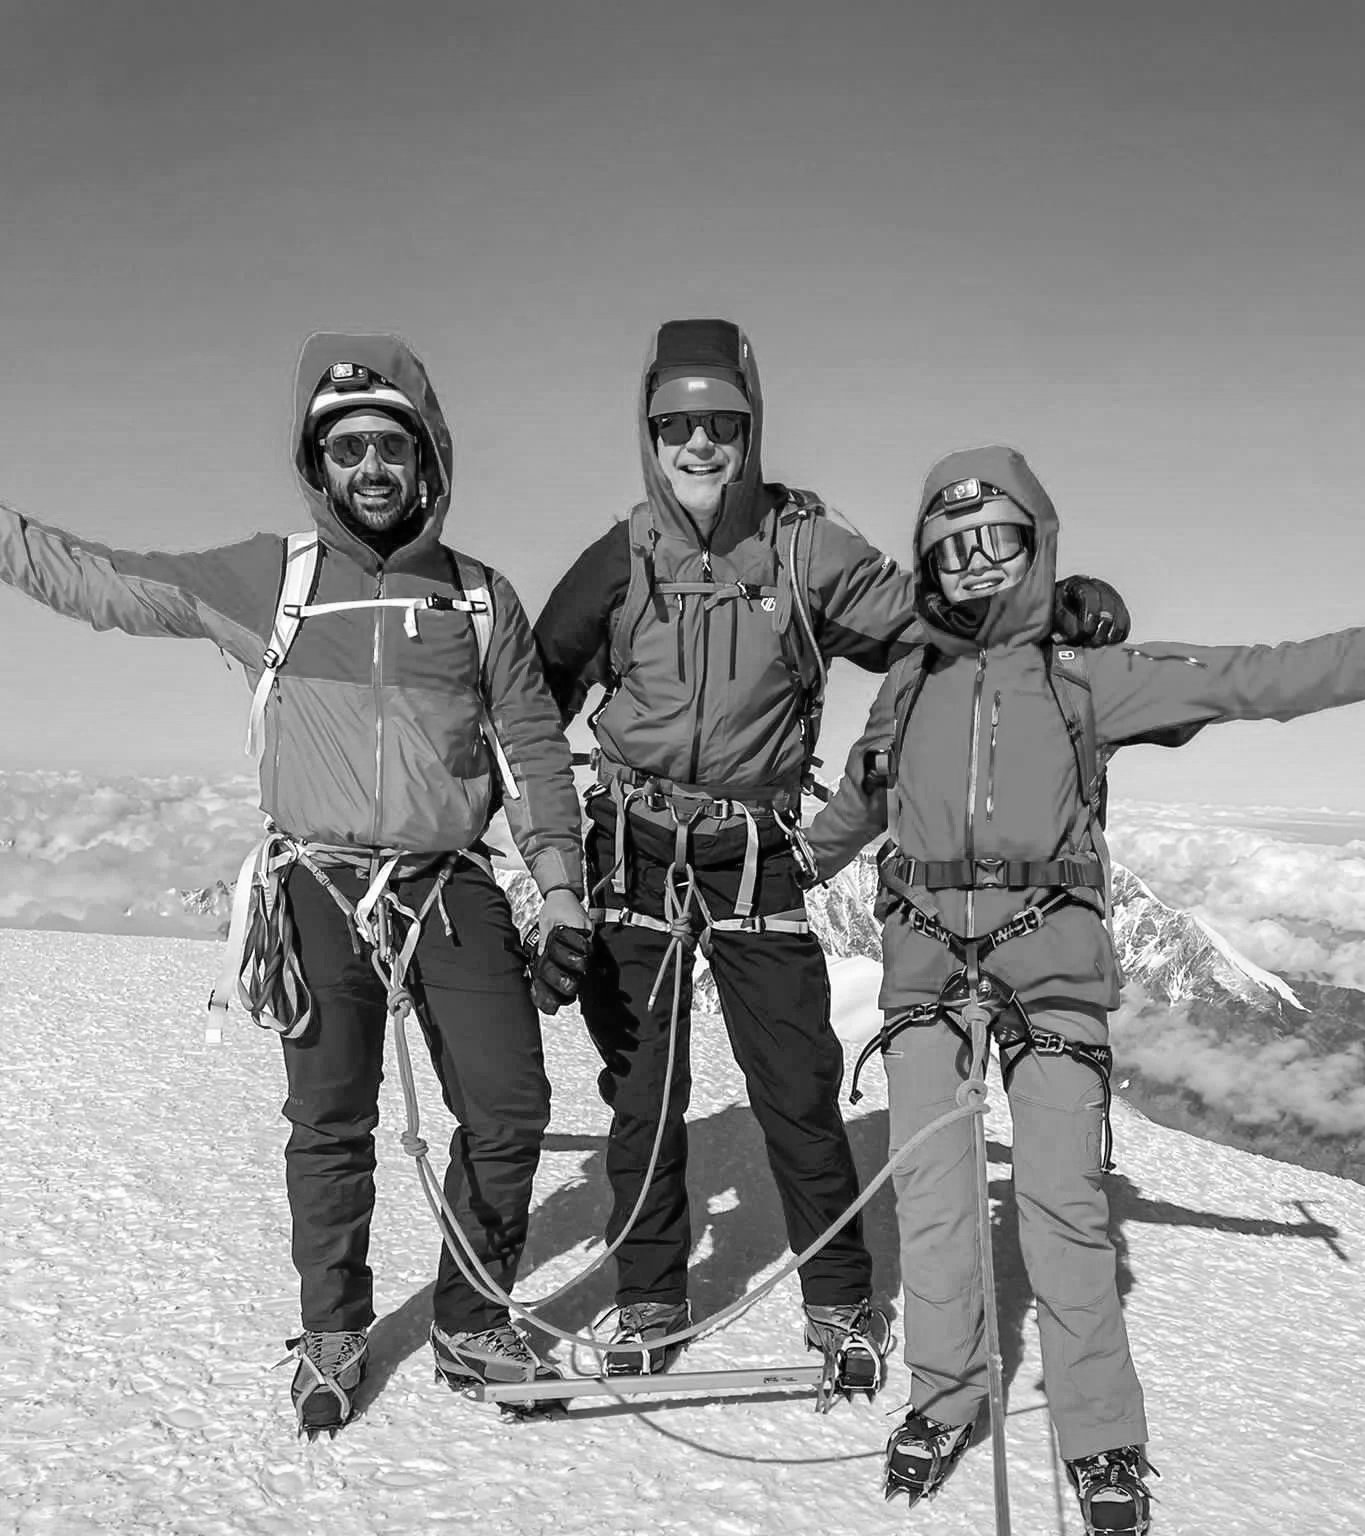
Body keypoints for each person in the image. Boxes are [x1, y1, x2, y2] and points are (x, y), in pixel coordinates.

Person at [805, 443, 1365, 1531]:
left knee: (1061, 1210)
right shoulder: (904, 689)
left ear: (1037, 544)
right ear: (929, 566)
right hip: (924, 979)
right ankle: (944, 1400)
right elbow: (855, 811)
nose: (977, 563)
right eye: (952, 548)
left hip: (1046, 977)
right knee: (936, 1207)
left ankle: (1099, 1435)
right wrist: (775, 871)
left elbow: (1266, 678)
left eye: (998, 538)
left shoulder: (1089, 677)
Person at [0, 333, 593, 1436]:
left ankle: (472, 1319)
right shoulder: (271, 580)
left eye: (391, 446)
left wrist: (558, 885)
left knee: (509, 1104)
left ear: (429, 461)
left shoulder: (477, 600)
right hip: (316, 882)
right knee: (330, 1118)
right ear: (317, 465)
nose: (371, 467)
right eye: (347, 446)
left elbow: (533, 746)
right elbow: (105, 583)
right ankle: (333, 1331)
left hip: (447, 877)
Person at [532, 319, 1130, 1390]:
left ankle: (841, 1298)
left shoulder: (806, 550)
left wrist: (1044, 612)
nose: (701, 445)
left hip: (755, 847)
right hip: (628, 842)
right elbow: (532, 692)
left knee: (797, 1086)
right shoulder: (621, 557)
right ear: (649, 432)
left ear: (751, 430)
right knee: (642, 1091)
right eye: (678, 425)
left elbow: (933, 626)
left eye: (723, 424)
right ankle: (650, 1299)